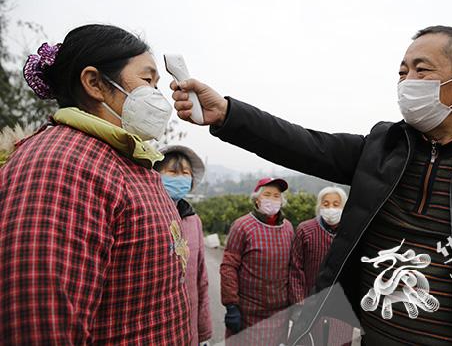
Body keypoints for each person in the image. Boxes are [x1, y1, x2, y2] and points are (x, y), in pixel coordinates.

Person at [171, 25, 452, 345]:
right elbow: (304, 144)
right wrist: (228, 114)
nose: (407, 81)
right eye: (402, 71)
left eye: (422, 70)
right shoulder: (382, 149)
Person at [0, 24, 193, 344]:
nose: (158, 97)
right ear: (94, 83)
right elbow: (40, 325)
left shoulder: (126, 159)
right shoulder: (60, 167)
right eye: (147, 80)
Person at [220, 177, 295, 345]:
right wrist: (231, 305)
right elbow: (228, 267)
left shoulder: (288, 228)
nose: (272, 199)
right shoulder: (242, 226)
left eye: (276, 196)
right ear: (256, 199)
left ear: (282, 201)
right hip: (247, 312)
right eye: (267, 194)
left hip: (278, 315)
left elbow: (293, 269)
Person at [154, 145, 212, 346]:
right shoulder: (147, 215)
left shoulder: (193, 220)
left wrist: (204, 331)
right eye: (172, 172)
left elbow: (201, 278)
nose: (179, 178)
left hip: (188, 324)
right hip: (154, 326)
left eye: (185, 173)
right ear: (155, 174)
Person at [289, 186, 353, 346]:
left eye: (336, 204)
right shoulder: (305, 230)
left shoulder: (352, 233)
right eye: (326, 203)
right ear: (319, 206)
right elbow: (296, 270)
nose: (331, 208)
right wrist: (299, 304)